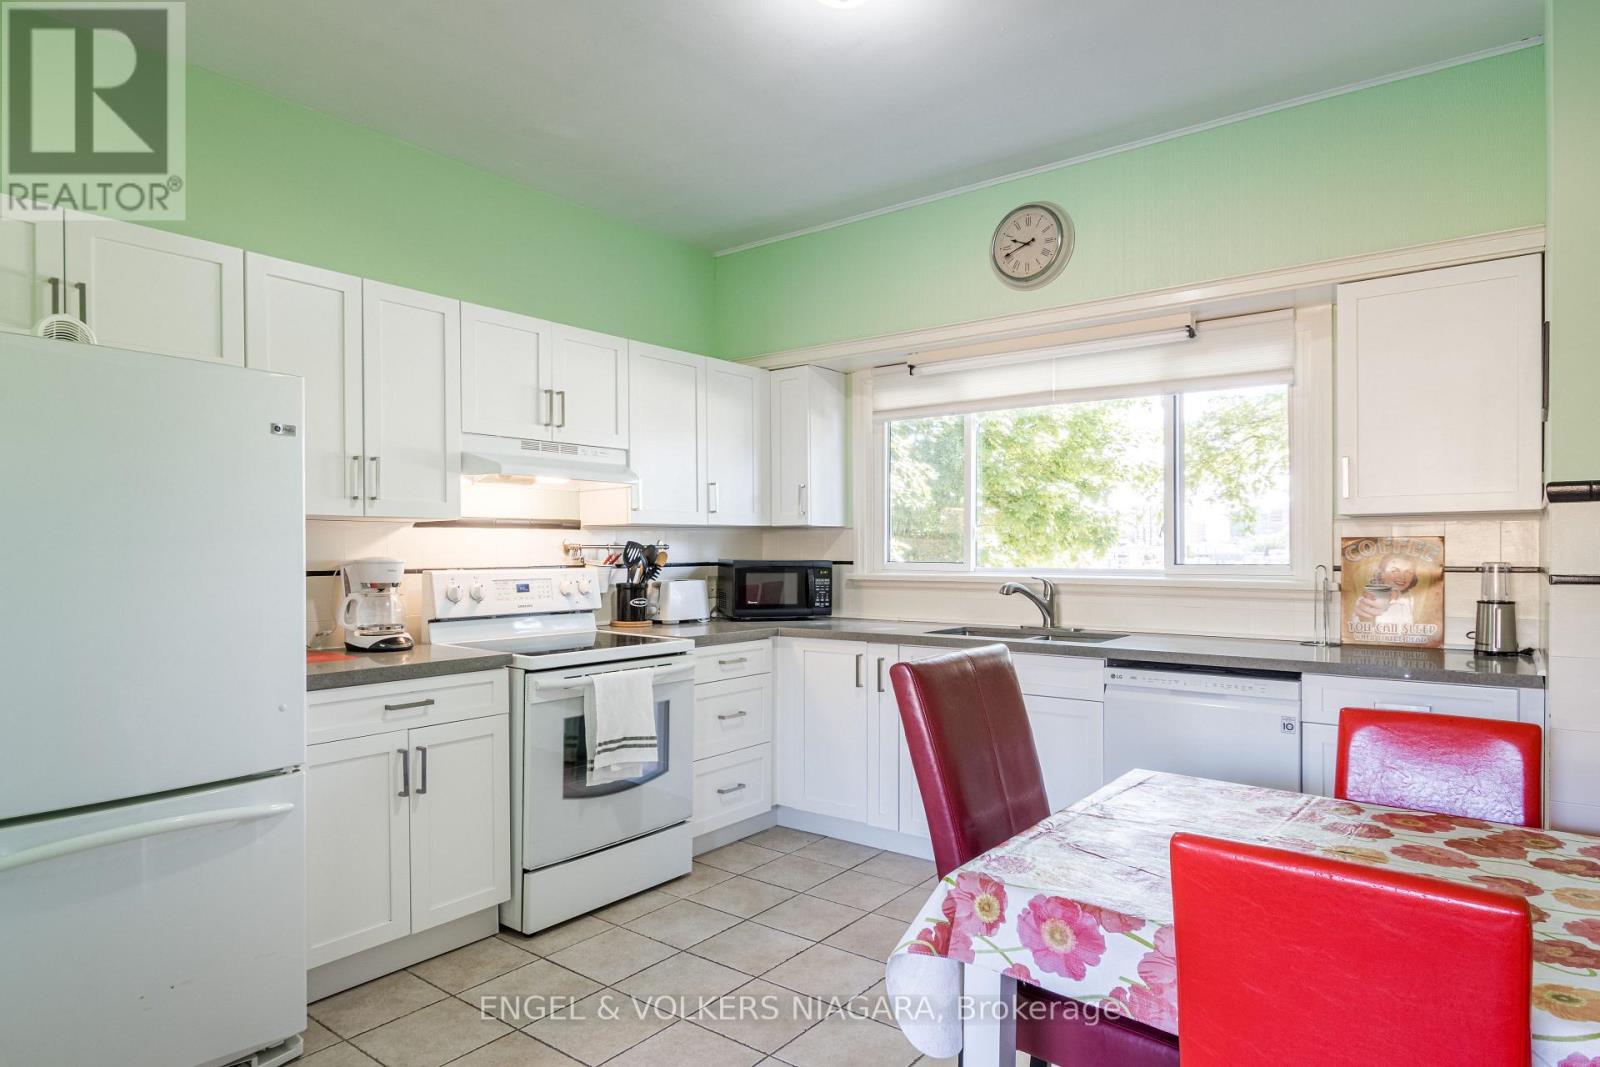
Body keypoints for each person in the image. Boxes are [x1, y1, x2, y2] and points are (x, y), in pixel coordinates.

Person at [1352, 553, 1419, 626]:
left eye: (1409, 572)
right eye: (1394, 571)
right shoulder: (1366, 601)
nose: (1402, 577)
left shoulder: (1411, 601)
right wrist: (1365, 619)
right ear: (1382, 573)